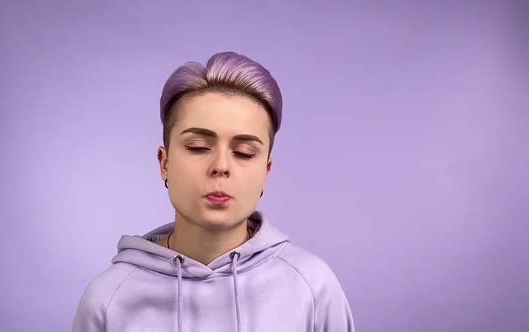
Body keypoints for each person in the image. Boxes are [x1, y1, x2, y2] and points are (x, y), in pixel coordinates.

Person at [72, 51, 355, 332]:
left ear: (265, 172)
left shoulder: (313, 288)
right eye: (198, 147)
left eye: (244, 153)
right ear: (165, 163)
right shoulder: (108, 298)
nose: (221, 166)